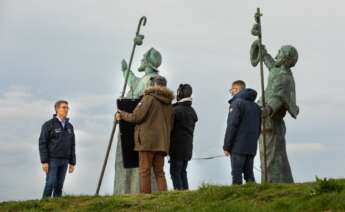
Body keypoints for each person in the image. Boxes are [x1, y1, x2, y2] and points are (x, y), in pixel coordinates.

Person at [116, 76, 174, 194]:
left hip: (147, 142)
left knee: (144, 171)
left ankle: (145, 199)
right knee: (159, 172)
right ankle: (164, 197)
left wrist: (121, 114)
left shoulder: (149, 98)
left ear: (154, 85)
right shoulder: (169, 103)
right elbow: (171, 124)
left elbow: (136, 117)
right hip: (162, 143)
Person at [223, 80, 261, 185]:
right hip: (251, 147)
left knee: (236, 175)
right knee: (249, 175)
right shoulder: (256, 107)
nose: (231, 92)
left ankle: (236, 198)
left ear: (237, 89)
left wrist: (226, 146)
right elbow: (258, 129)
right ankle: (256, 198)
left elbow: (232, 125)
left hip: (238, 147)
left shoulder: (236, 103)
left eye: (232, 90)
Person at [39, 100, 76, 198]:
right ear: (57, 109)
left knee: (59, 186)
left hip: (65, 160)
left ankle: (56, 206)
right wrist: (44, 161)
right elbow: (42, 143)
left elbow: (72, 145)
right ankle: (44, 206)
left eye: (67, 108)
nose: (66, 110)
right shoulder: (48, 125)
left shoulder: (70, 127)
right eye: (64, 107)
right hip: (52, 160)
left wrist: (72, 162)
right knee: (50, 183)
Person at [169, 84, 198, 190]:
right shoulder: (191, 110)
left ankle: (179, 195)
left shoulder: (176, 110)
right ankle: (185, 195)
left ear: (179, 94)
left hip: (176, 147)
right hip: (187, 146)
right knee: (182, 171)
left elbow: (170, 128)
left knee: (175, 172)